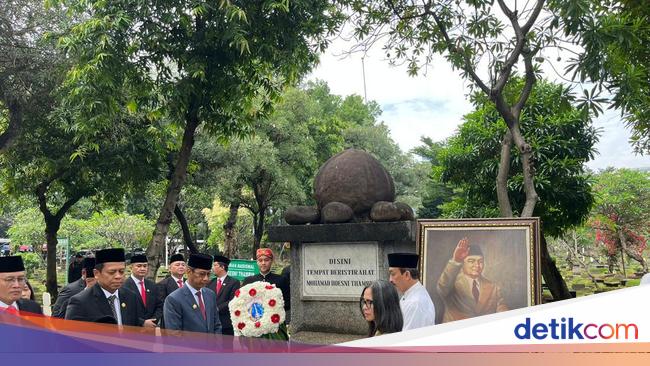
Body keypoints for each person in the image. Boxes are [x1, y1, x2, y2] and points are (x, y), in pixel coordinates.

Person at [436, 237, 509, 323]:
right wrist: (456, 260)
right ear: (463, 263)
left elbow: (501, 306)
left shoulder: (493, 287)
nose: (477, 265)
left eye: (480, 261)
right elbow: (442, 287)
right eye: (471, 261)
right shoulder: (452, 284)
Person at [65, 248, 144, 326]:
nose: (118, 276)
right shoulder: (81, 302)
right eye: (111, 272)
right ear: (96, 273)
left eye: (121, 271)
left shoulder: (131, 297)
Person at [163, 253, 221, 334]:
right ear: (189, 271)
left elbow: (217, 325)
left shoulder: (210, 295)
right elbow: (174, 334)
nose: (206, 279)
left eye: (208, 274)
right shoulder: (174, 299)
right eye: (202, 274)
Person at [388, 252, 435, 330]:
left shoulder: (415, 303)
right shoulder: (413, 295)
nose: (390, 280)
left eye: (393, 274)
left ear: (407, 275)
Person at [242, 248, 289, 313]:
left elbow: (287, 302)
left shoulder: (281, 280)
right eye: (260, 260)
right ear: (257, 262)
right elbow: (242, 301)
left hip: (274, 318)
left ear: (271, 261)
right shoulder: (249, 281)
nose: (263, 263)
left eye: (266, 260)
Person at [122, 254, 163, 328]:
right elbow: (124, 311)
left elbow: (159, 305)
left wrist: (153, 321)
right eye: (139, 266)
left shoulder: (152, 285)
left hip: (151, 329)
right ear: (131, 267)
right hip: (133, 330)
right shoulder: (124, 286)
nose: (142, 268)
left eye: (145, 266)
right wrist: (142, 322)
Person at [207, 255, 240, 335]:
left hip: (226, 323)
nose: (212, 268)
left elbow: (233, 300)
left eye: (215, 265)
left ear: (222, 267)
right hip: (212, 323)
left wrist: (217, 309)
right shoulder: (210, 282)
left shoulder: (234, 282)